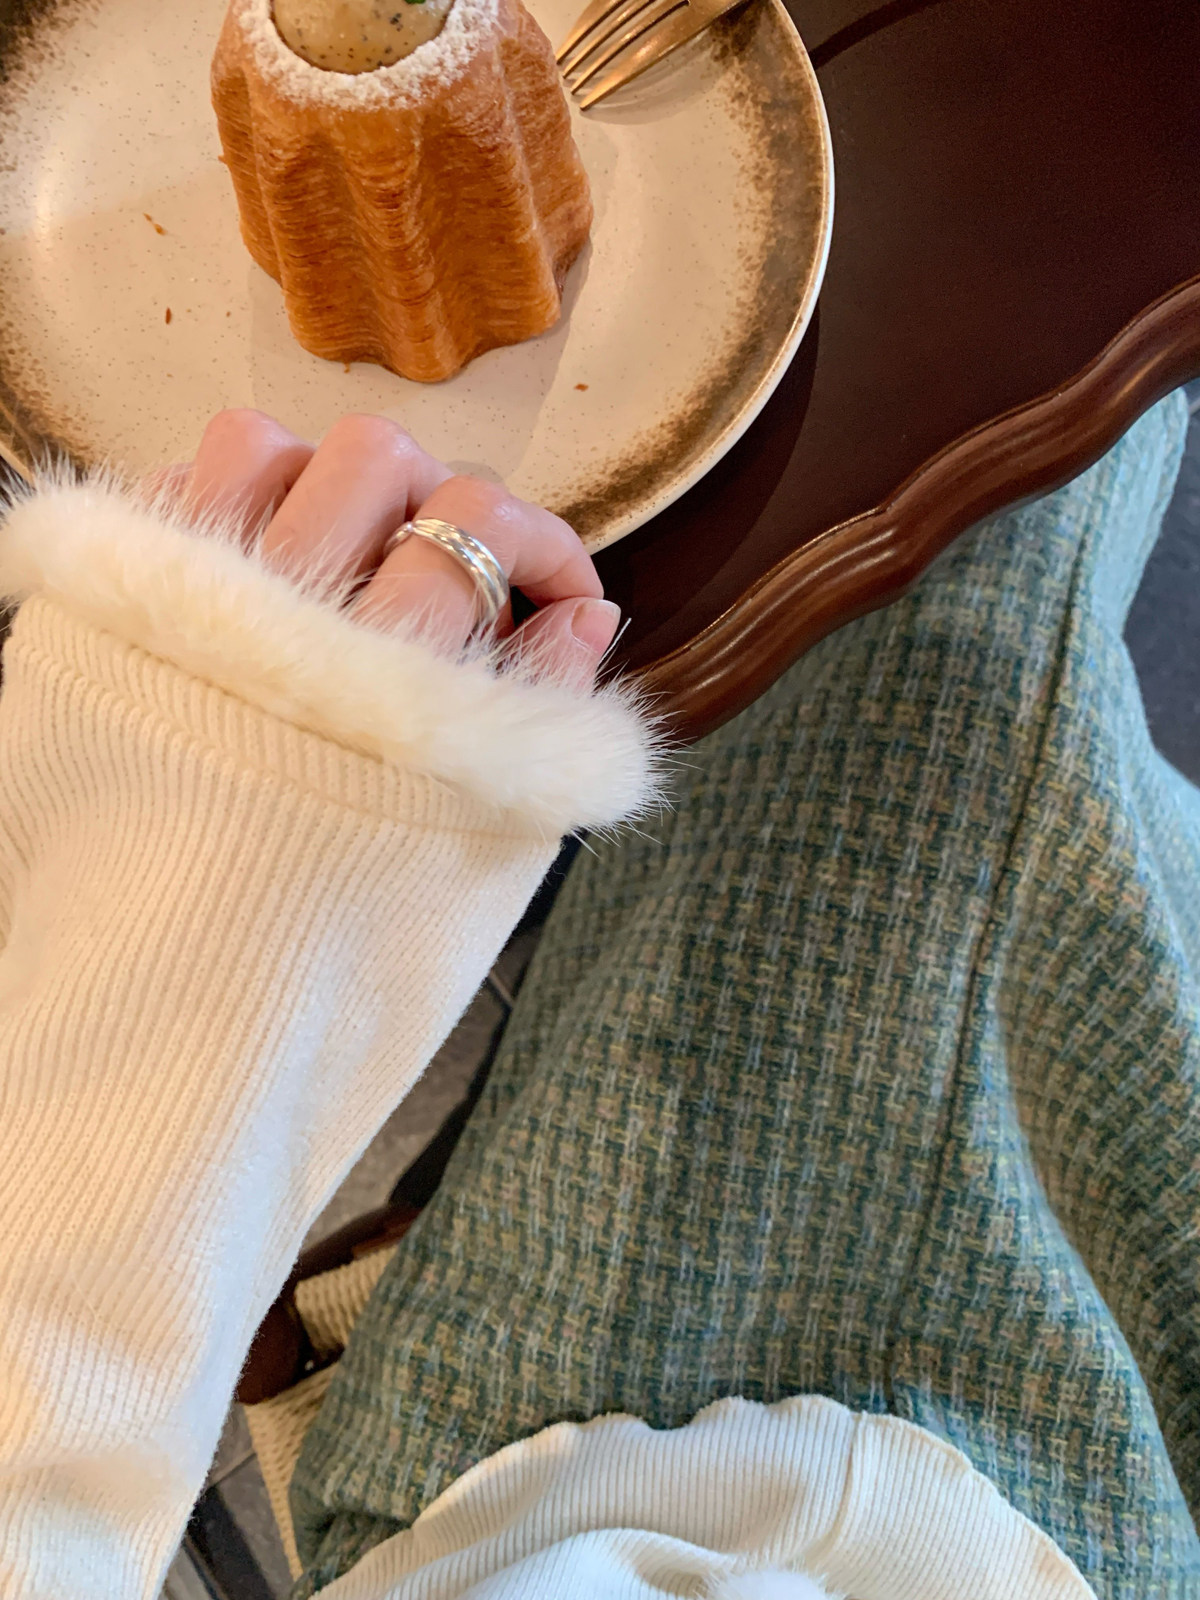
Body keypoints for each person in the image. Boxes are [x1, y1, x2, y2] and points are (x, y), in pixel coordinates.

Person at [0, 394, 1196, 1600]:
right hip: (994, 1529)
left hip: (542, 1507)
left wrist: (159, 996)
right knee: (972, 586)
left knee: (952, 616)